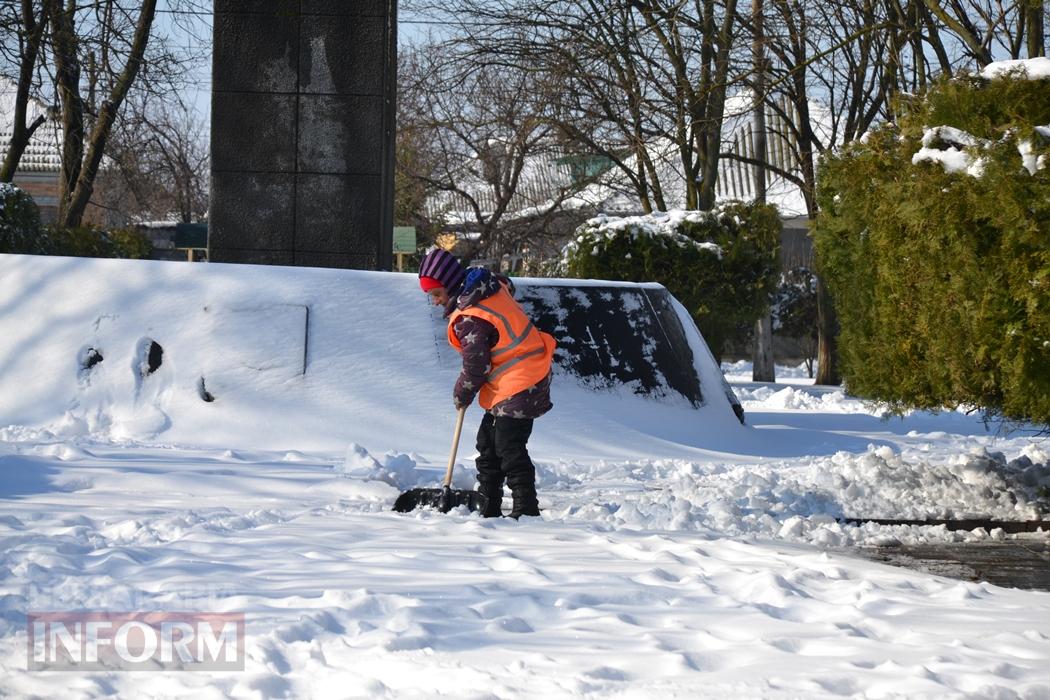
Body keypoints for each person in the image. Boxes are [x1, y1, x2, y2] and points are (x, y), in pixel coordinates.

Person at [418, 248, 556, 519]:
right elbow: (506, 283)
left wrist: (462, 392)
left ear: (450, 285)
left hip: (521, 380)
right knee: (488, 443)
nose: (434, 302)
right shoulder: (486, 287)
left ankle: (526, 510)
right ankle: (489, 504)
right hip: (514, 378)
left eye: (436, 294)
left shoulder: (470, 317)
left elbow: (476, 366)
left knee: (508, 447)